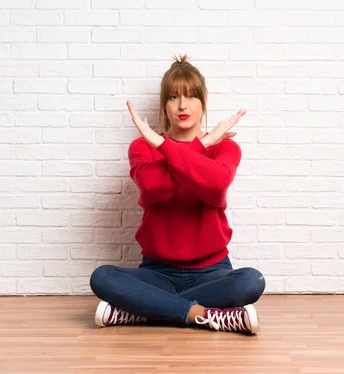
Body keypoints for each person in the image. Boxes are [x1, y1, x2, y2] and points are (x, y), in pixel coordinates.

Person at [89, 54, 266, 335]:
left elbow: (216, 184)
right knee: (102, 277)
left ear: (203, 100)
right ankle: (206, 315)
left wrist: (198, 145)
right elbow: (154, 186)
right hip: (157, 272)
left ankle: (143, 311)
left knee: (251, 281)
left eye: (191, 96)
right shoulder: (143, 146)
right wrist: (201, 142)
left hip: (213, 272)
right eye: (173, 97)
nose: (183, 105)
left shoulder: (225, 148)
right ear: (164, 103)